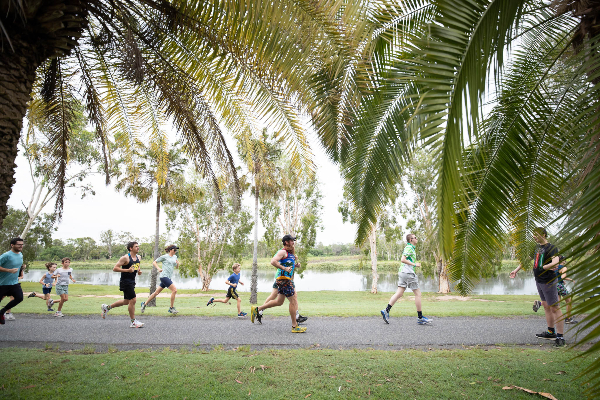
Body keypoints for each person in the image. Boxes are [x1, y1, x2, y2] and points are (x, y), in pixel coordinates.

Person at [510, 227, 565, 347]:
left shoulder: (551, 247)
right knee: (545, 306)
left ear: (543, 235)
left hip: (548, 281)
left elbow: (555, 262)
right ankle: (551, 332)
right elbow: (527, 260)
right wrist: (516, 270)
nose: (534, 237)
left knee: (555, 307)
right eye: (533, 235)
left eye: (536, 235)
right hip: (539, 280)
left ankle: (560, 337)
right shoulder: (536, 248)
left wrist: (545, 267)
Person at [250, 235, 306, 333]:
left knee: (279, 302)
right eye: (292, 241)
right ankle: (295, 326)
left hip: (284, 280)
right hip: (284, 280)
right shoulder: (282, 252)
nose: (293, 242)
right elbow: (273, 261)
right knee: (293, 301)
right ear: (286, 242)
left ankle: (257, 309)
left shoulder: (289, 253)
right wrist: (284, 268)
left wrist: (295, 265)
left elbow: (287, 264)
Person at [380, 233, 432, 325]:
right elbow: (403, 259)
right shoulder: (409, 248)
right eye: (415, 237)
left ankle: (386, 310)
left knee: (399, 293)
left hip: (402, 273)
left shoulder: (410, 248)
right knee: (418, 294)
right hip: (408, 273)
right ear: (411, 240)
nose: (417, 239)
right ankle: (420, 318)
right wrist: (415, 264)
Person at [101, 242, 144, 328]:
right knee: (133, 300)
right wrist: (127, 270)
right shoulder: (125, 258)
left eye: (138, 246)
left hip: (132, 281)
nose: (138, 248)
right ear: (131, 248)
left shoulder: (139, 257)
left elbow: (136, 267)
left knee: (127, 301)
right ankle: (133, 322)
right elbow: (115, 268)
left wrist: (139, 271)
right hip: (125, 282)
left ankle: (107, 307)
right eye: (136, 246)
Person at [141, 245, 180, 314]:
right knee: (174, 290)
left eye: (176, 250)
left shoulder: (175, 257)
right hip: (164, 276)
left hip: (168, 277)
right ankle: (171, 308)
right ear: (170, 250)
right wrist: (158, 268)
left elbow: (176, 267)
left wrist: (177, 264)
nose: (175, 251)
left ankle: (144, 304)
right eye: (174, 250)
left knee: (156, 293)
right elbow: (154, 262)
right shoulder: (164, 257)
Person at [0, 238, 25, 324]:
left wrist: (22, 268)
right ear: (12, 245)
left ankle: (2, 311)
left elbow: (17, 265)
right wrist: (9, 270)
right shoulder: (6, 255)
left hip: (14, 283)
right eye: (19, 244)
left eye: (22, 244)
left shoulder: (20, 255)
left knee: (19, 298)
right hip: (2, 284)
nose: (21, 246)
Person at [556, 257, 576, 324]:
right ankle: (568, 319)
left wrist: (570, 279)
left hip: (554, 285)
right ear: (563, 260)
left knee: (557, 302)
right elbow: (562, 277)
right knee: (569, 301)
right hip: (560, 286)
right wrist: (563, 280)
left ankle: (540, 303)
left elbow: (558, 276)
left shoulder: (555, 267)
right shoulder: (564, 267)